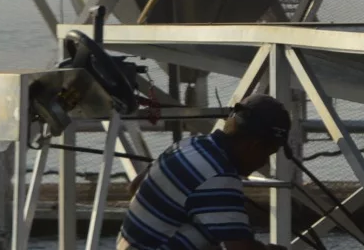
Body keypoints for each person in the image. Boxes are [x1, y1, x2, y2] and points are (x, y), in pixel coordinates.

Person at [118, 94, 291, 250]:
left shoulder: (189, 144)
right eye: (267, 154)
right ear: (254, 146)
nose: (263, 163)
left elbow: (135, 186)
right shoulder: (218, 175)